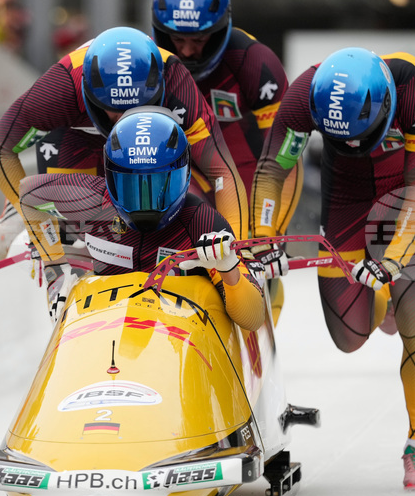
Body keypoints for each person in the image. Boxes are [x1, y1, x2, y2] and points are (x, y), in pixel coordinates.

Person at [250, 47, 415, 489]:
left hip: (409, 194)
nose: (354, 145)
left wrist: (393, 260)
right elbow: (272, 169)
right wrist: (263, 238)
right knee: (348, 337)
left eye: (363, 134)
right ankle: (381, 300)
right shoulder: (306, 97)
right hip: (348, 199)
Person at [0, 26, 248, 260]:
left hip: (149, 146)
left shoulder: (176, 81)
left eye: (139, 106)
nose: (126, 120)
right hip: (76, 139)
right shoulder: (60, 89)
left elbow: (221, 171)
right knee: (81, 234)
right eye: (116, 110)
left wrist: (237, 248)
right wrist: (34, 218)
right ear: (90, 96)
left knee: (169, 207)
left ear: (159, 90)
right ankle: (16, 212)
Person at [19, 108, 265, 332]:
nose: (145, 204)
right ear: (110, 178)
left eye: (159, 185)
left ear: (185, 174)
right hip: (108, 332)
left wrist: (229, 269)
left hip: (179, 340)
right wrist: (56, 271)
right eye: (130, 186)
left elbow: (252, 319)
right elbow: (29, 197)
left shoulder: (200, 222)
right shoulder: (91, 199)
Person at [152, 0, 301, 324]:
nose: (186, 50)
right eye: (176, 39)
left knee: (250, 259)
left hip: (248, 181)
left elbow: (285, 155)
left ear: (220, 31)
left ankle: (261, 318)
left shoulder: (255, 62)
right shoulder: (150, 63)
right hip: (189, 177)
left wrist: (271, 230)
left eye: (199, 40)